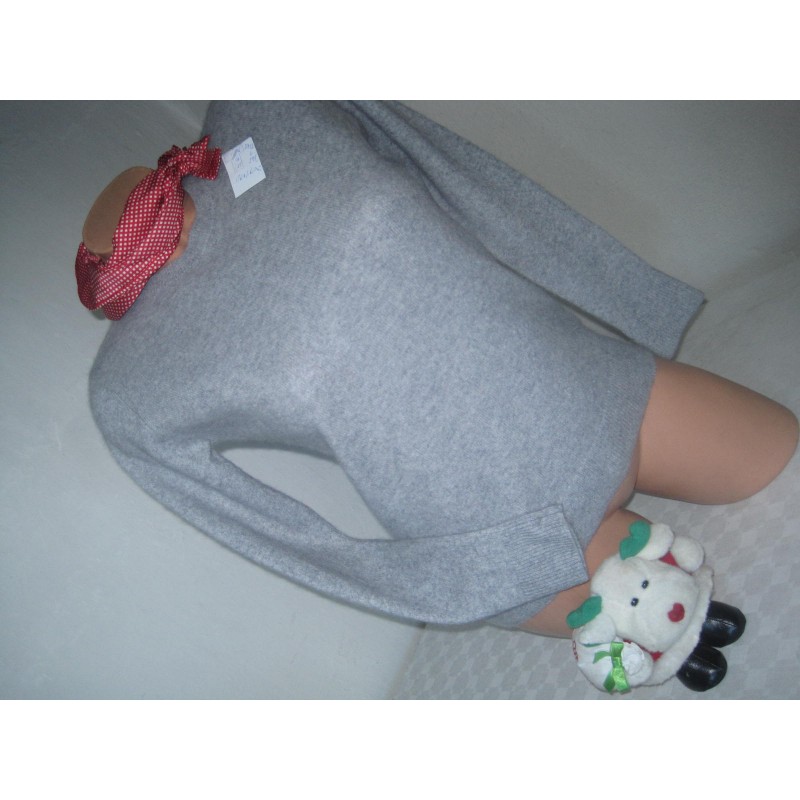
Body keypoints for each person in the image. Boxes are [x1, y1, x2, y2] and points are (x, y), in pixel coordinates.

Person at [77, 102, 798, 668]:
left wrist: (628, 294)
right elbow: (284, 538)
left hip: (606, 391)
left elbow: (467, 183)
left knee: (779, 450)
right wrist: (435, 583)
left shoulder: (266, 107)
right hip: (510, 538)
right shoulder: (130, 387)